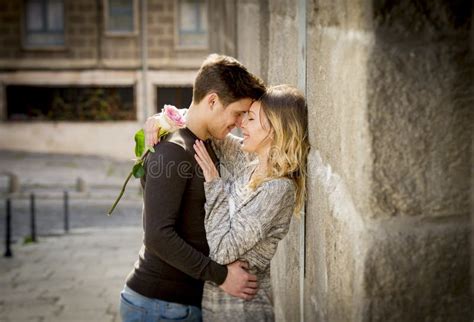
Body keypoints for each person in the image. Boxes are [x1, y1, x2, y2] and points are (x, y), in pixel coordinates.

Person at [120, 54, 266, 322]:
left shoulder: (206, 141)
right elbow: (157, 235)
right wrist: (221, 275)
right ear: (212, 101)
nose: (239, 123)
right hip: (159, 307)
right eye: (236, 114)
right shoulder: (172, 152)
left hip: (179, 305)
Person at [147, 85, 310, 321]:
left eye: (251, 118)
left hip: (243, 310)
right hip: (216, 306)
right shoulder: (250, 164)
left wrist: (214, 183)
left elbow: (222, 252)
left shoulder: (278, 189)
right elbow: (206, 127)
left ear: (275, 130)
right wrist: (162, 120)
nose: (241, 123)